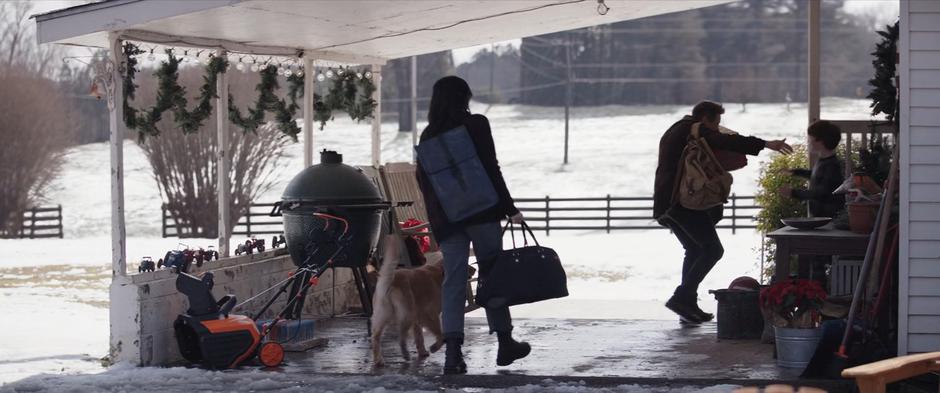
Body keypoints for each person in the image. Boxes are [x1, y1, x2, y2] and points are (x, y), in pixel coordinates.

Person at [415, 76, 530, 375]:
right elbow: (491, 167)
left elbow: (424, 183)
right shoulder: (477, 124)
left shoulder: (428, 135)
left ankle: (453, 354)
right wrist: (509, 207)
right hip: (482, 214)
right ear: (464, 97)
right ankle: (505, 343)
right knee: (492, 274)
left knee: (453, 281)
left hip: (449, 221)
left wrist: (438, 222)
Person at [653, 100, 793, 324]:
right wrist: (767, 144)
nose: (717, 127)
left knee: (694, 249)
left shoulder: (677, 129)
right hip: (683, 203)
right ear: (705, 118)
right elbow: (727, 141)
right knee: (712, 250)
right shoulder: (696, 130)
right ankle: (682, 298)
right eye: (716, 122)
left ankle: (686, 305)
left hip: (666, 204)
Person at [780, 120, 845, 218]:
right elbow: (815, 176)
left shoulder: (832, 165)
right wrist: (794, 172)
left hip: (829, 217)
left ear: (820, 141)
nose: (808, 142)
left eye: (810, 139)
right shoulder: (824, 161)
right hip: (820, 216)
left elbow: (820, 193)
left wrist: (793, 193)